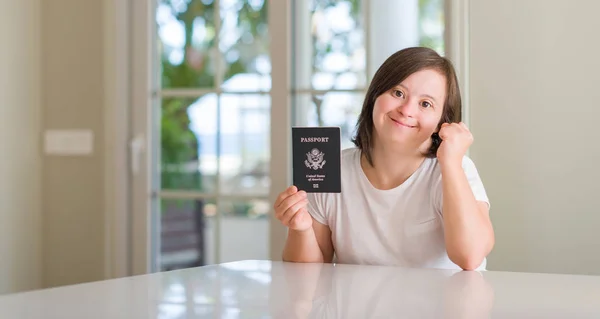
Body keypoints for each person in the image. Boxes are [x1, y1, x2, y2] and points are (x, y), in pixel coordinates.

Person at [274, 47, 494, 271]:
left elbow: (470, 257)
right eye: (398, 93)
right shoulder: (331, 170)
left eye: (425, 103)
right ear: (375, 96)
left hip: (445, 305)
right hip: (359, 306)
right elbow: (306, 277)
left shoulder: (456, 169)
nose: (407, 110)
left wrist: (450, 163)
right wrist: (301, 228)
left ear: (442, 121)